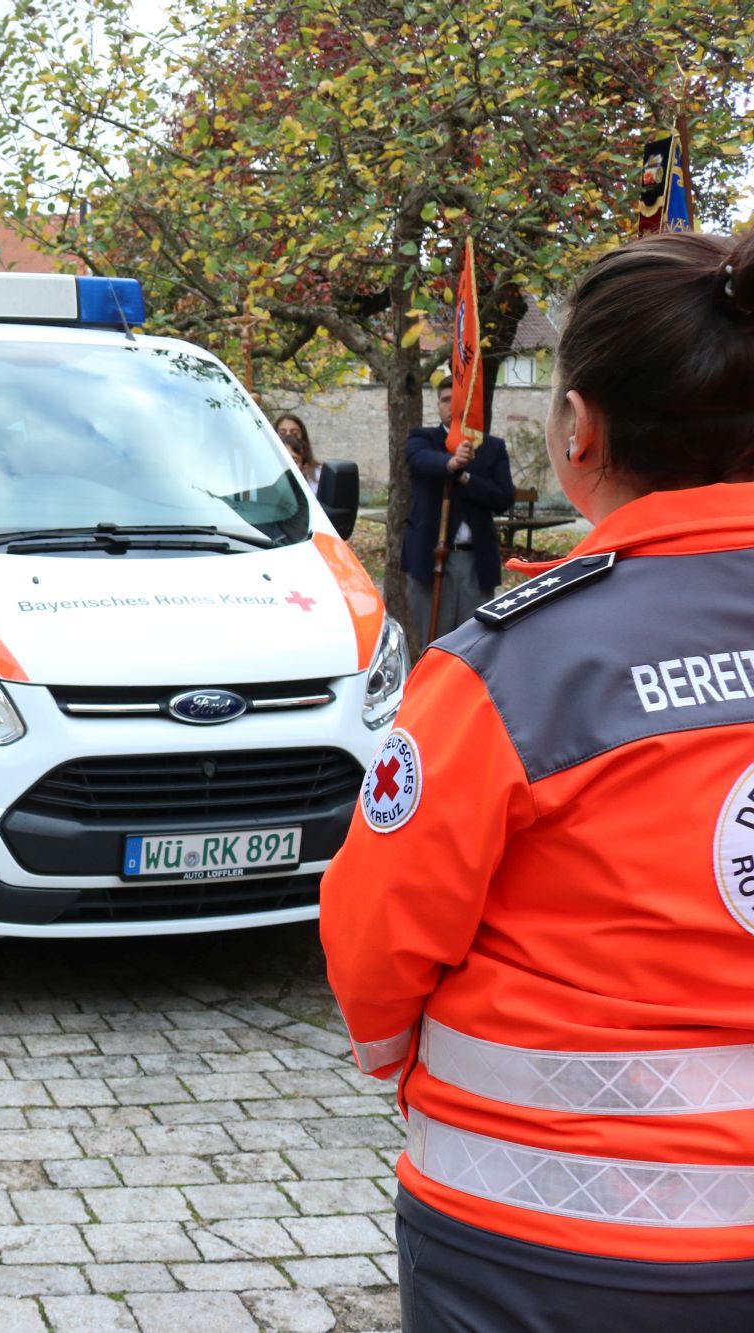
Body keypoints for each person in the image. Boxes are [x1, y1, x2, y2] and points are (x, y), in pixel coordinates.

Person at [321, 229, 754, 1332]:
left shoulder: (511, 668)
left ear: (575, 429)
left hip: (549, 1243)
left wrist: (395, 1056)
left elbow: (377, 938)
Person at [400, 380, 514, 641]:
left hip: (476, 561)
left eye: (457, 400)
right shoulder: (423, 438)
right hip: (432, 560)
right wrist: (451, 463)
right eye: (445, 399)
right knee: (434, 642)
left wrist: (466, 478)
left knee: (473, 641)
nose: (451, 405)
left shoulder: (492, 447)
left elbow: (503, 497)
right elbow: (419, 460)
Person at [275, 413, 339, 509]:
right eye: (282, 433)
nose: (288, 437)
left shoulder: (320, 474)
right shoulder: (261, 471)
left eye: (294, 434)